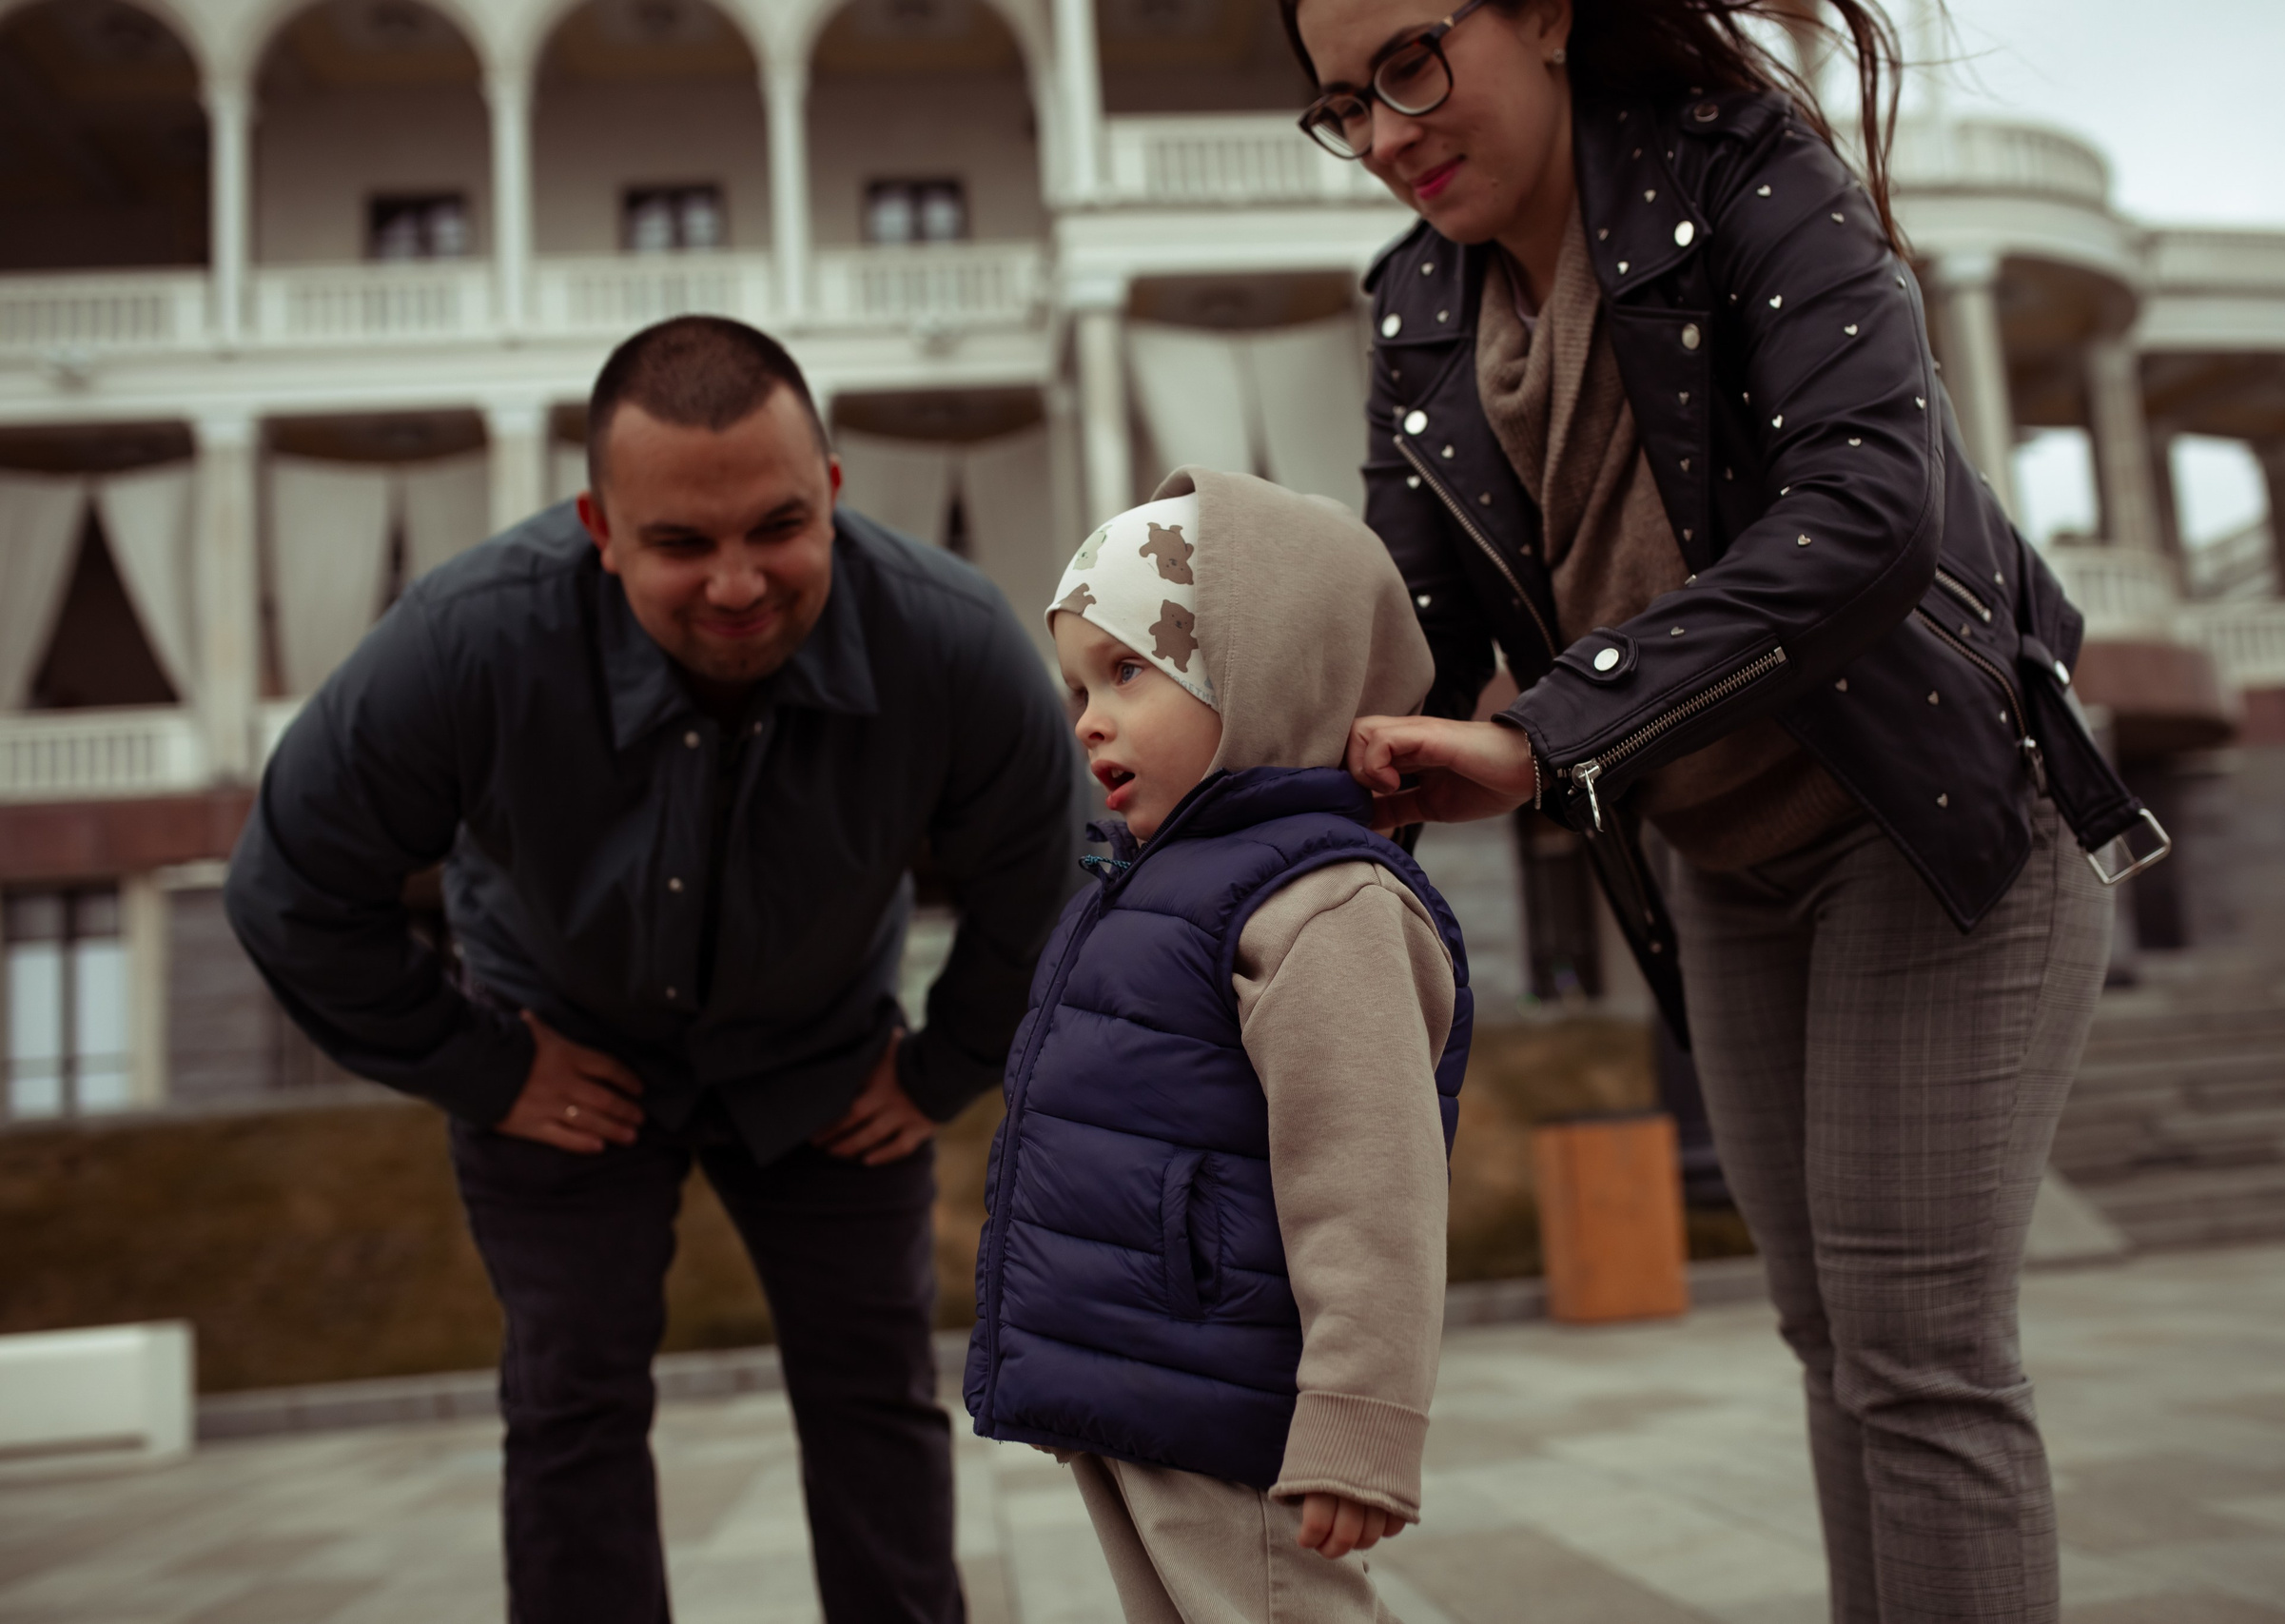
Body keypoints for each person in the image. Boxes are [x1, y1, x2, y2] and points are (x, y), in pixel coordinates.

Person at [1280, 3, 2161, 1620]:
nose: (1390, 134)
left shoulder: (1746, 168)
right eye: (1342, 106)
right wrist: (1252, 746)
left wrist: (1546, 733)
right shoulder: (1416, 303)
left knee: (1922, 1356)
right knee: (1832, 1339)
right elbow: (1412, 627)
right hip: (1726, 864)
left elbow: (1870, 511)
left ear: (1541, 14)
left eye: (1409, 64)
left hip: (1939, 823)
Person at [224, 316, 1078, 1624]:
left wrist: (944, 1064)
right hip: (559, 1048)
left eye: (777, 526)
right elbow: (288, 887)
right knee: (571, 1395)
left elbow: (1053, 873)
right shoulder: (466, 639)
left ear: (834, 492)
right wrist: (484, 1064)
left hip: (825, 1061)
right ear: (600, 525)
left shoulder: (951, 641)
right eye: (681, 542)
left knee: (875, 1388)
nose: (737, 582)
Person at [963, 470, 1471, 1624]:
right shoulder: (1154, 885)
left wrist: (1359, 1419)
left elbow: (1371, 1183)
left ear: (1264, 671)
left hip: (1245, 1402)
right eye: (1078, 684)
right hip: (1149, 1381)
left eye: (1129, 671)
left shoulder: (1318, 903)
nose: (1088, 716)